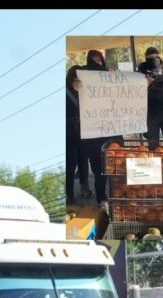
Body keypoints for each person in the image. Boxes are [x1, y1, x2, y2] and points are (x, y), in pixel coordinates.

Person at [79, 49, 120, 209]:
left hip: (112, 129)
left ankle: (118, 198)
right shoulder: (82, 77)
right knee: (99, 169)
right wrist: (77, 86)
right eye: (93, 59)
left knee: (116, 165)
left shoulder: (110, 74)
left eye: (99, 59)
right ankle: (102, 200)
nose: (97, 62)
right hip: (94, 132)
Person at [65, 65, 91, 206]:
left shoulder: (84, 89)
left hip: (82, 130)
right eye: (76, 79)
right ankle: (69, 194)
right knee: (71, 163)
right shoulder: (64, 91)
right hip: (68, 133)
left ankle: (85, 188)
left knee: (83, 160)